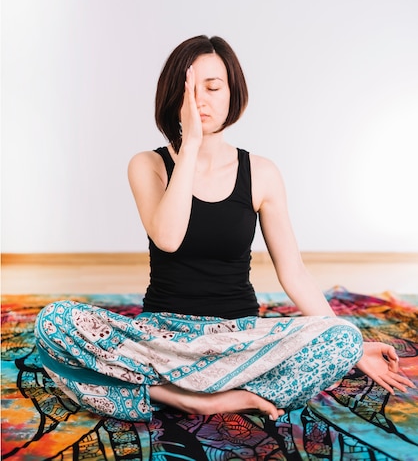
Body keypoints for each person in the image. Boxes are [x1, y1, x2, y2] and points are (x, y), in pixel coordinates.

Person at [35, 35, 414, 423]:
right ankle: (197, 399)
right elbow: (168, 237)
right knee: (53, 323)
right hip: (159, 340)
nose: (201, 100)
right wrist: (191, 145)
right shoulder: (147, 164)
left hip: (238, 339)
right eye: (190, 91)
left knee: (343, 338)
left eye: (213, 88)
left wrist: (356, 346)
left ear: (233, 94)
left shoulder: (262, 173)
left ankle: (177, 388)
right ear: (173, 98)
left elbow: (293, 272)